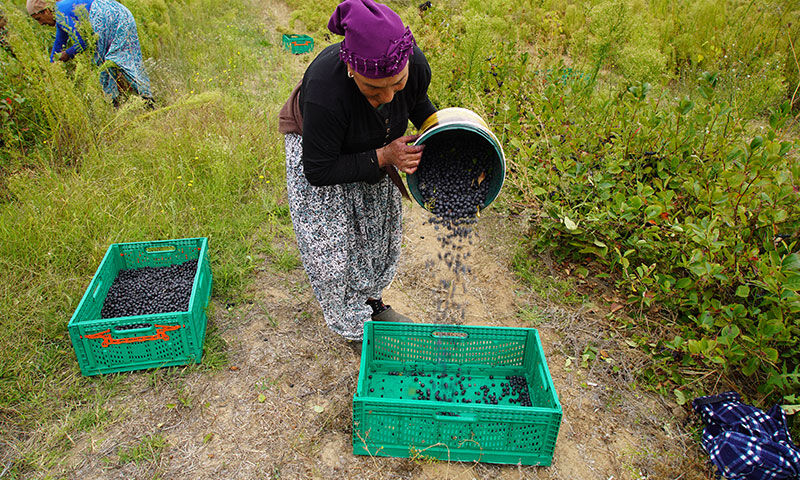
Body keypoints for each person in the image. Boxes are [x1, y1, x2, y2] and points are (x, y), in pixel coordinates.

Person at [278, 0, 437, 341]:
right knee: (333, 249)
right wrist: (384, 156)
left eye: (397, 83)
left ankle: (372, 303)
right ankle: (352, 322)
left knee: (374, 234)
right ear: (351, 69)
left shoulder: (414, 65)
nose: (388, 97)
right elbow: (319, 170)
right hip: (323, 154)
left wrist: (444, 136)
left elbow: (417, 103)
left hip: (376, 144)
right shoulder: (325, 90)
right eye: (373, 89)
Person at [27, 0, 153, 106]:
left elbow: (84, 42)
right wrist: (50, 68)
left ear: (46, 11)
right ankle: (141, 100)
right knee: (122, 59)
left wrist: (68, 53)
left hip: (108, 17)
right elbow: (59, 42)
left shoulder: (60, 12)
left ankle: (128, 103)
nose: (41, 24)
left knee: (108, 61)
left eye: (39, 19)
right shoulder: (61, 11)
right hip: (121, 14)